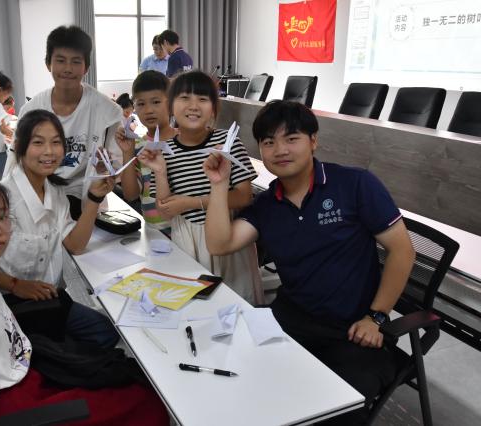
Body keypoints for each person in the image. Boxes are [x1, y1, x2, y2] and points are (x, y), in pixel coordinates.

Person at [203, 100, 416, 424]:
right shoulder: (266, 205)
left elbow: (403, 251)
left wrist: (377, 316)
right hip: (291, 320)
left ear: (313, 140)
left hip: (353, 330)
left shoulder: (355, 184)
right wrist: (219, 185)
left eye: (292, 138)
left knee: (331, 411)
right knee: (235, 380)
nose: (280, 150)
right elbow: (220, 244)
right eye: (269, 142)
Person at [0, 175, 168, 425]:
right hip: (7, 405)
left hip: (26, 373)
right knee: (148, 403)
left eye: (2, 217)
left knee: (129, 376)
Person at [0, 109, 119, 348]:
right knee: (67, 352)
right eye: (38, 143)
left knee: (106, 334)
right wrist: (15, 285)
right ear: (19, 147)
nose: (49, 152)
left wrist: (94, 198)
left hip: (50, 301)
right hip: (10, 307)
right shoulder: (0, 199)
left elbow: (75, 245)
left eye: (56, 142)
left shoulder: (56, 193)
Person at [139, 70, 263, 304]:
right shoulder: (165, 150)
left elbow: (244, 196)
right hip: (187, 239)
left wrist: (193, 202)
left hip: (228, 234)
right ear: (171, 106)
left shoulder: (227, 142)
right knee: (195, 305)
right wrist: (160, 171)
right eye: (185, 98)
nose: (193, 106)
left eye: (203, 99)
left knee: (236, 303)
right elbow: (165, 211)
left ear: (214, 109)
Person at [11, 25, 122, 220]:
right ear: (48, 64)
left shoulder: (107, 111)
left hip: (88, 200)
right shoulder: (31, 110)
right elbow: (15, 163)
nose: (68, 69)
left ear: (86, 67)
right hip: (41, 199)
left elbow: (116, 164)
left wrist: (106, 168)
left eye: (76, 61)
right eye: (60, 60)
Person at [116, 70, 176, 236]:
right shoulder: (138, 146)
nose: (148, 110)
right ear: (134, 107)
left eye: (156, 102)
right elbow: (131, 195)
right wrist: (127, 152)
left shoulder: (185, 140)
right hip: (154, 233)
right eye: (141, 104)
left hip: (184, 231)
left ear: (171, 103)